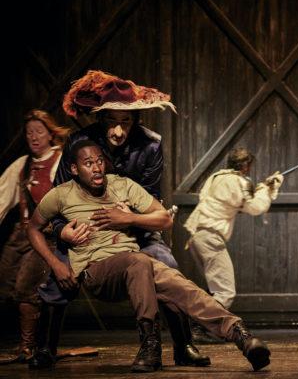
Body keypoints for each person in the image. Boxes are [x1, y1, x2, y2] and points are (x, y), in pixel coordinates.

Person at [27, 140, 271, 373]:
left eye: (100, 161)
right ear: (74, 168)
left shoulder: (122, 185)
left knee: (180, 285)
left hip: (135, 266)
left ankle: (242, 336)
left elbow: (164, 218)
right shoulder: (62, 194)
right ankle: (150, 343)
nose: (96, 167)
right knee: (141, 261)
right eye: (88, 163)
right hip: (97, 270)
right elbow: (33, 228)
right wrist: (56, 263)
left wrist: (129, 218)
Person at [30, 70, 209, 368]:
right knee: (56, 277)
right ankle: (45, 348)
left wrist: (129, 219)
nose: (118, 130)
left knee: (167, 264)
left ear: (136, 120)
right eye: (111, 121)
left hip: (134, 227)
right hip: (84, 229)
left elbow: (152, 202)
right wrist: (63, 234)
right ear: (101, 120)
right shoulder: (79, 143)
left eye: (125, 122)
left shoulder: (151, 144)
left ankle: (183, 344)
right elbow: (60, 200)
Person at [184, 147, 283, 342]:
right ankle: (199, 328)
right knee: (225, 290)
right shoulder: (239, 181)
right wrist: (269, 188)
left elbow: (231, 199)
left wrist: (262, 186)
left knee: (216, 288)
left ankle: (203, 328)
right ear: (246, 165)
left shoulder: (216, 177)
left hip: (197, 235)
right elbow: (254, 207)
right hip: (210, 237)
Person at [0, 109, 69, 361]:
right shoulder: (22, 165)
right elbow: (1, 198)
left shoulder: (61, 161)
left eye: (39, 131)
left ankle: (28, 346)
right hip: (21, 234)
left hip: (46, 234)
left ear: (51, 134)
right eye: (29, 132)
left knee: (26, 287)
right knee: (3, 283)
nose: (34, 137)